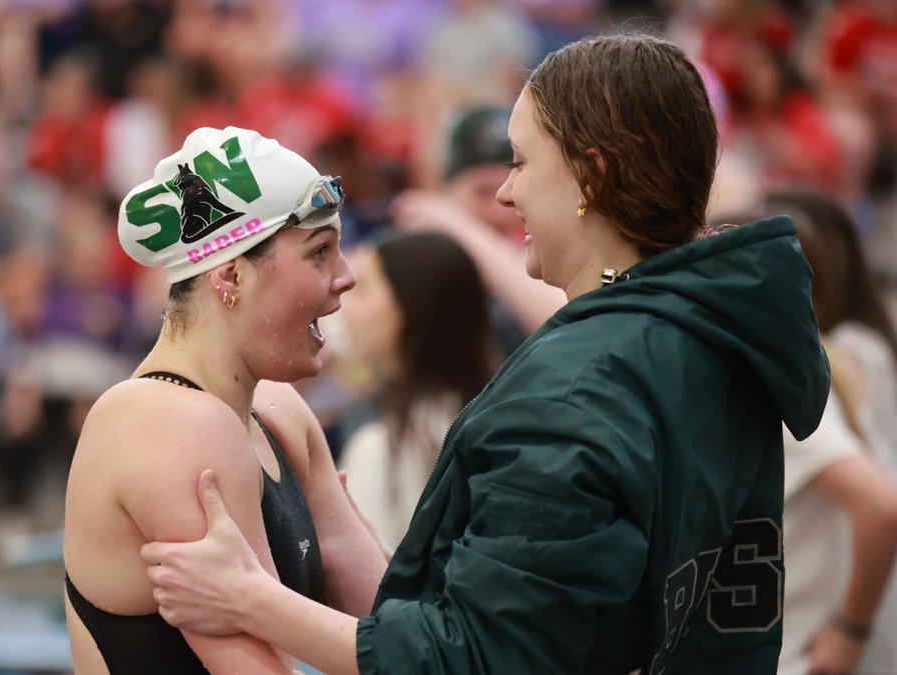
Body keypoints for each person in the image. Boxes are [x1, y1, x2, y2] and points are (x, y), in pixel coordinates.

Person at [140, 32, 831, 674]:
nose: (506, 191)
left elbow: (476, 658)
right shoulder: (714, 336)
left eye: (522, 161)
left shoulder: (577, 393)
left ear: (592, 177)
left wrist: (248, 598)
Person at [62, 126, 387, 674]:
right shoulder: (167, 423)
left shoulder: (279, 411)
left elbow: (402, 629)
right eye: (320, 253)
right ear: (231, 274)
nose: (346, 277)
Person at [762, 189, 897, 675]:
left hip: (806, 652)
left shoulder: (795, 388)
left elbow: (882, 505)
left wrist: (849, 630)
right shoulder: (858, 349)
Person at [337, 230, 496, 549]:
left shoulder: (383, 450)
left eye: (363, 289)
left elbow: (374, 587)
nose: (344, 307)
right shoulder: (498, 415)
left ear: (410, 304)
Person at [391, 105, 565, 342]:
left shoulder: (546, 255)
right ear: (447, 192)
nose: (501, 208)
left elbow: (565, 325)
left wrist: (464, 231)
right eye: (482, 192)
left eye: (514, 187)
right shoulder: (424, 257)